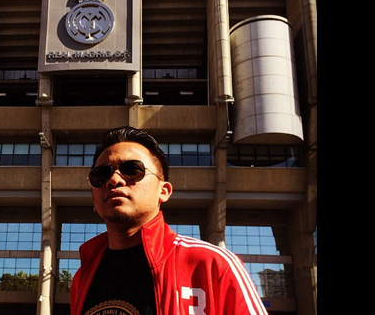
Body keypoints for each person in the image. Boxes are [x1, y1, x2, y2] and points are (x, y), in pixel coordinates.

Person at [70, 126, 269, 315]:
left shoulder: (213, 265)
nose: (114, 180)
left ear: (163, 191)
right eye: (100, 175)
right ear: (93, 200)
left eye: (132, 170)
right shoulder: (83, 276)